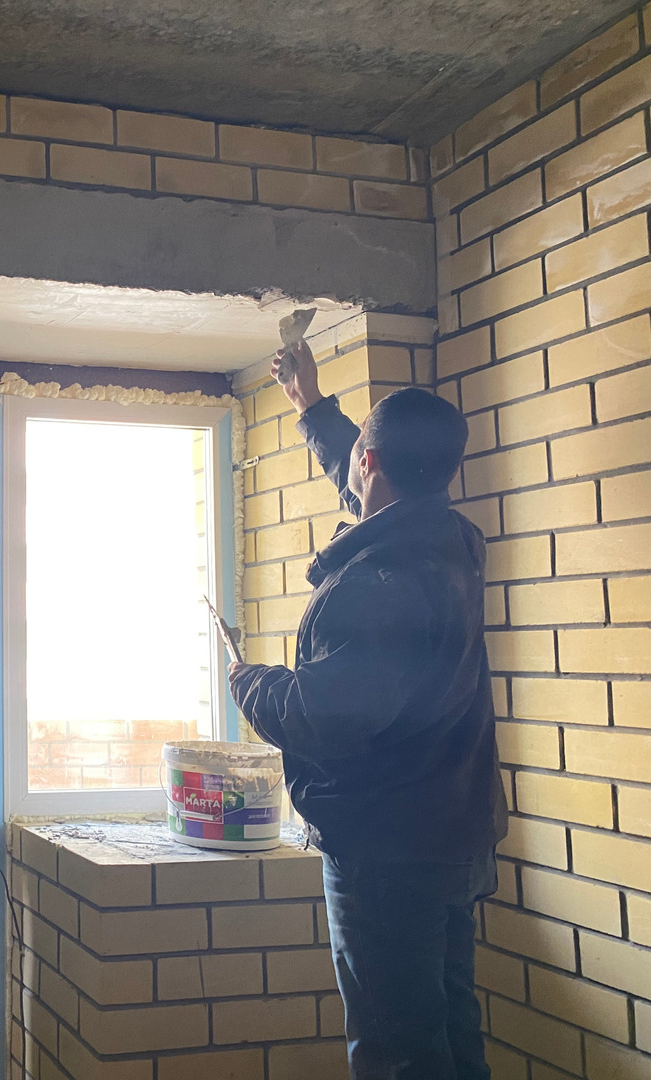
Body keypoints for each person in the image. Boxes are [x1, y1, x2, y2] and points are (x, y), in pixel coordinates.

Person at [227, 339, 507, 1080]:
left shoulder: (377, 583)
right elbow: (374, 489)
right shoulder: (448, 541)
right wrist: (313, 408)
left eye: (359, 457)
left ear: (371, 462)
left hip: (387, 852)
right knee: (449, 1030)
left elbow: (320, 715)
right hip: (453, 833)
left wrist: (247, 679)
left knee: (395, 1051)